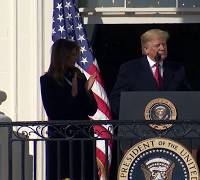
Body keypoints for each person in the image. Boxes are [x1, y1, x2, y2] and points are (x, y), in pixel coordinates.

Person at [40, 39, 98, 180]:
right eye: (72, 55)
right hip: (61, 138)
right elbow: (53, 112)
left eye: (76, 54)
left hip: (82, 136)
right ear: (62, 55)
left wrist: (85, 91)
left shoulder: (78, 76)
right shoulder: (47, 80)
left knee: (85, 173)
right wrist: (72, 95)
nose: (75, 58)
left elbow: (92, 109)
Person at [109, 28, 191, 119]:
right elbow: (116, 100)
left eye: (164, 44)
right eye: (157, 45)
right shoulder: (129, 69)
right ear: (146, 49)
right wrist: (130, 116)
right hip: (139, 128)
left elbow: (188, 98)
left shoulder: (178, 70)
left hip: (173, 128)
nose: (162, 48)